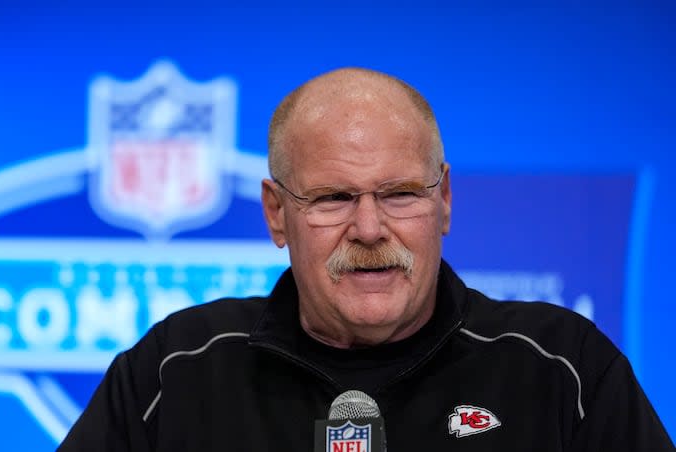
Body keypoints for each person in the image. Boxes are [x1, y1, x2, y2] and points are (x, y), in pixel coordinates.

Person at [59, 68, 674, 451]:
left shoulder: (563, 368)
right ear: (277, 214)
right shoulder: (175, 368)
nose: (371, 228)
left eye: (401, 193)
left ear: (445, 201)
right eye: (333, 198)